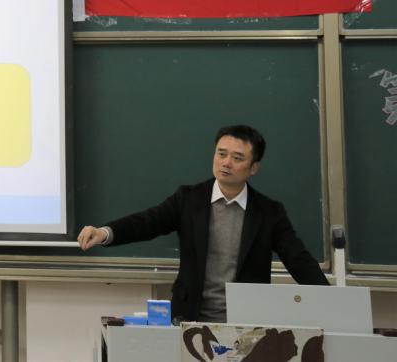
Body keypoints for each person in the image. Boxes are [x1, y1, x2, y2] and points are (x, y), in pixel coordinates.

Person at [76, 125, 328, 323]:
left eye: (237, 158)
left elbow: (298, 260)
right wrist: (105, 232)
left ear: (253, 168)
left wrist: (332, 301)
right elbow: (147, 222)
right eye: (221, 154)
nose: (226, 163)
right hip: (190, 319)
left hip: (247, 324)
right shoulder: (189, 199)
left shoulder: (269, 213)